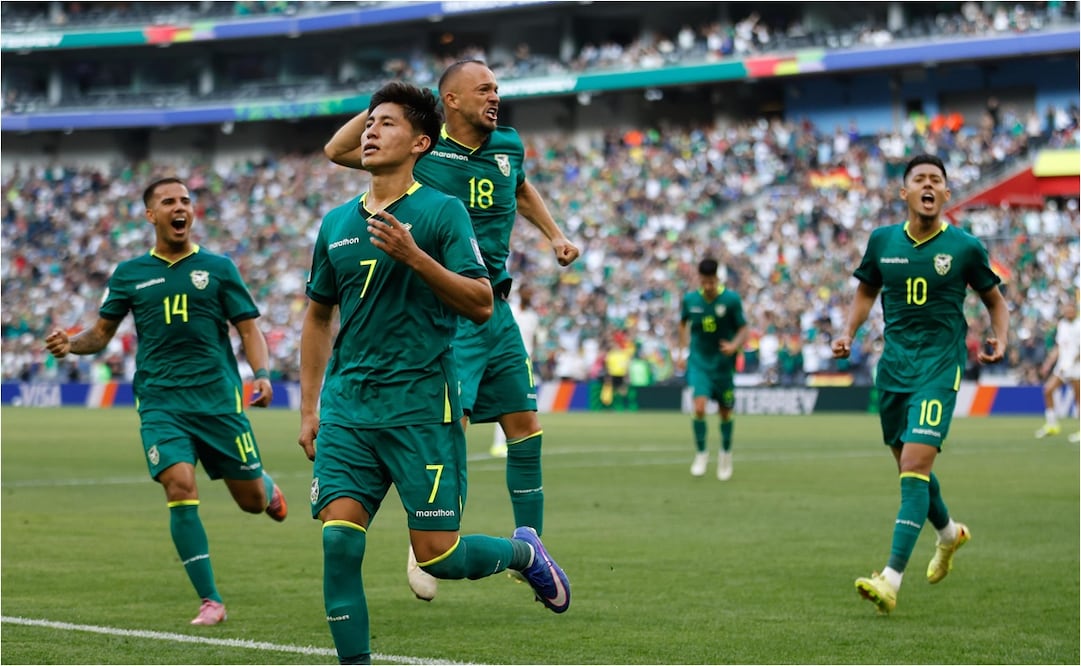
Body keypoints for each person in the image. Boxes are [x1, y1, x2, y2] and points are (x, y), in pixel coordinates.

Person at [299, 81, 570, 665]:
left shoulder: (442, 211)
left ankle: (525, 556)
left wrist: (415, 257)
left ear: (422, 141)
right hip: (349, 408)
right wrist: (309, 407)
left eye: (387, 123)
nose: (371, 132)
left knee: (438, 557)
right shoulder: (334, 223)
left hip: (422, 405)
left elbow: (479, 302)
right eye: (369, 123)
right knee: (339, 546)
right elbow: (318, 317)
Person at [43, 177, 288, 627]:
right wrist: (69, 345)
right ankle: (210, 600)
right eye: (168, 202)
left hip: (217, 401)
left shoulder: (218, 267)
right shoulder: (129, 274)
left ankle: (267, 487)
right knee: (179, 483)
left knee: (252, 502)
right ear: (150, 215)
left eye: (186, 201)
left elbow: (248, 329)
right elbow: (100, 334)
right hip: (160, 402)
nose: (180, 208)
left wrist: (263, 374)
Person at [831, 154, 1009, 615]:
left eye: (937, 180)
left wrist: (999, 336)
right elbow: (867, 288)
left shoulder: (965, 247)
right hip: (893, 370)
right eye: (920, 179)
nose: (929, 185)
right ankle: (949, 534)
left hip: (938, 368)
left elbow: (995, 298)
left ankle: (890, 579)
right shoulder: (882, 241)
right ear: (903, 192)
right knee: (910, 469)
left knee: (914, 463)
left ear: (946, 194)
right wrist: (848, 332)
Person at [674, 258, 748, 481]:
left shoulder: (731, 300)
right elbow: (682, 323)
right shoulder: (690, 300)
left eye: (711, 282)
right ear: (699, 279)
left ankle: (725, 454)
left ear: (718, 279)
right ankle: (701, 453)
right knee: (698, 407)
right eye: (704, 282)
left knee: (725, 412)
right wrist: (681, 351)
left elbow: (744, 328)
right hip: (699, 362)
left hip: (723, 365)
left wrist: (735, 345)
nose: (708, 286)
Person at [491, 283, 541, 457]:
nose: (530, 295)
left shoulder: (533, 316)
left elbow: (534, 339)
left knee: (522, 406)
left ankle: (515, 443)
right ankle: (499, 444)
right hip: (507, 360)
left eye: (532, 292)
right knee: (507, 404)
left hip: (525, 363)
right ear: (520, 293)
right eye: (528, 291)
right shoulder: (510, 310)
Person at [1034, 299, 1080, 442]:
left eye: (1071, 309)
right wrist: (1048, 363)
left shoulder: (1079, 325)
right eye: (1066, 309)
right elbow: (1059, 347)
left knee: (1079, 399)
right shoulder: (1062, 325)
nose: (1068, 312)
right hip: (1062, 366)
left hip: (1076, 366)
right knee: (1048, 390)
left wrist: (1073, 362)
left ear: (1075, 310)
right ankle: (1052, 424)